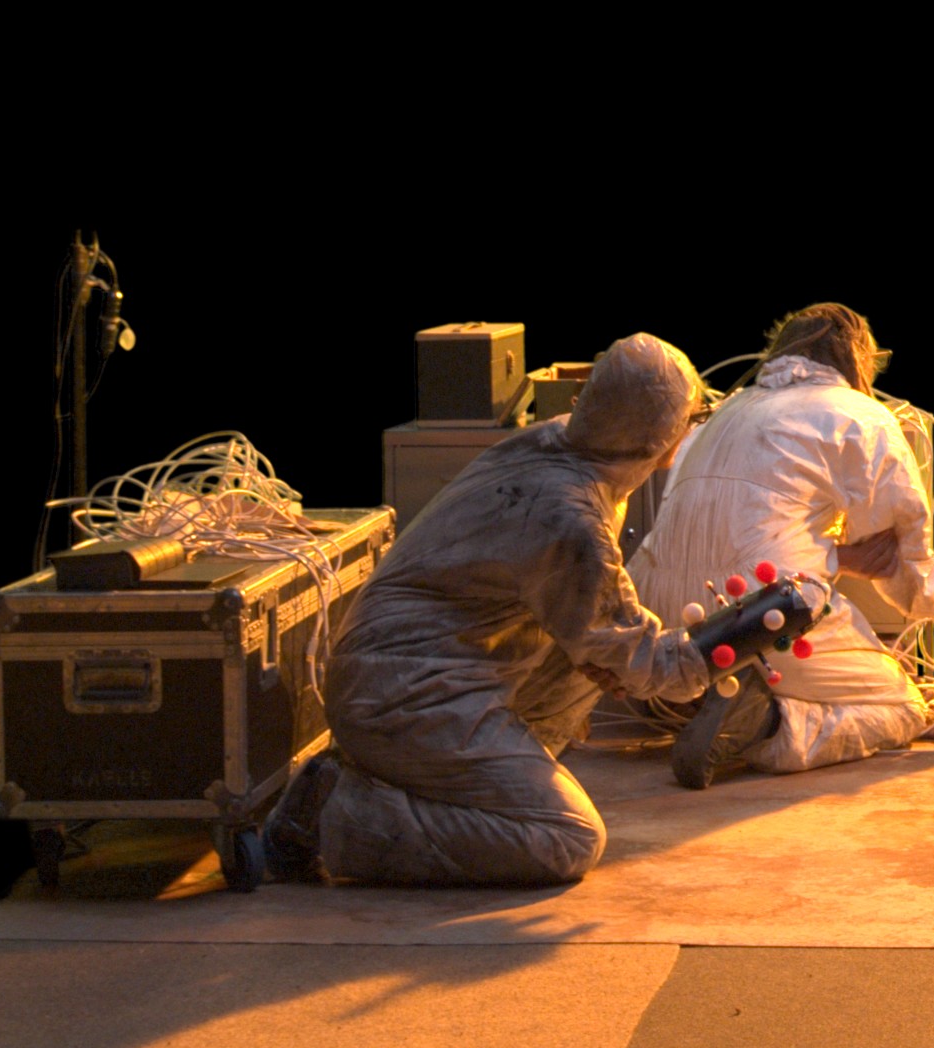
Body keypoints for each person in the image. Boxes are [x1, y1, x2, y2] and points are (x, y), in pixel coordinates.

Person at [255, 333, 716, 886]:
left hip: (402, 671)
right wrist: (714, 654)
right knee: (565, 839)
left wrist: (635, 654)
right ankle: (333, 817)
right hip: (404, 695)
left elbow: (608, 630)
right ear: (663, 442)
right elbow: (647, 663)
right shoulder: (569, 516)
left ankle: (441, 783)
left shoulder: (553, 442)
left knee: (590, 661)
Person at [628, 302, 934, 787]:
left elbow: (740, 529)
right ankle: (765, 726)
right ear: (860, 359)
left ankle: (682, 700)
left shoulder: (720, 414)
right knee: (903, 707)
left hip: (660, 618)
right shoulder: (861, 416)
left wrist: (835, 556)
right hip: (760, 613)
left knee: (765, 658)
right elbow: (906, 559)